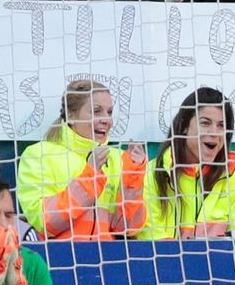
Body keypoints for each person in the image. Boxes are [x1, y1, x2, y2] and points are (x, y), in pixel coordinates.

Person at [16, 80, 148, 240]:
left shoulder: (119, 159)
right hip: (59, 259)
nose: (107, 120)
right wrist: (90, 177)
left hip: (110, 259)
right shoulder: (38, 154)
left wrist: (133, 176)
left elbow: (128, 228)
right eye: (96, 111)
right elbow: (45, 222)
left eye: (109, 112)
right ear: (71, 116)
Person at [129, 87, 235, 240]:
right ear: (184, 126)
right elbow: (149, 236)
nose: (214, 132)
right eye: (206, 123)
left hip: (219, 262)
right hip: (165, 262)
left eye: (221, 125)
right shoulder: (152, 173)